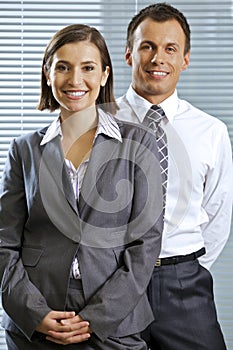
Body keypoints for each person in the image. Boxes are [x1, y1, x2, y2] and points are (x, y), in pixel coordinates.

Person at [0, 24, 164, 349]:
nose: (75, 80)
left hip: (115, 325)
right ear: (48, 74)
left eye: (87, 68)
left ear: (104, 75)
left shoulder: (138, 143)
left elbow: (145, 245)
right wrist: (35, 315)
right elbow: (4, 244)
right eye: (63, 67)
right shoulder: (24, 150)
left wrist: (96, 318)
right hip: (37, 321)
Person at [116, 3, 233, 350]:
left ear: (185, 59)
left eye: (170, 49)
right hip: (112, 280)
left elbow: (218, 214)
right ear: (128, 54)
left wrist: (181, 266)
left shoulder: (211, 131)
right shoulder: (99, 124)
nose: (157, 59)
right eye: (147, 46)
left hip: (183, 283)